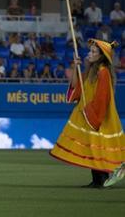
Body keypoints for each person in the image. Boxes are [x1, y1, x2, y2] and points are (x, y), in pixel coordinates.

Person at [50, 39, 125, 188]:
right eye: (90, 51)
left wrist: (92, 113)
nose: (89, 54)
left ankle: (102, 179)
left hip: (98, 116)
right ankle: (97, 180)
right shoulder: (91, 71)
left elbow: (102, 98)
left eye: (93, 52)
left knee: (98, 147)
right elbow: (77, 88)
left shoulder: (103, 72)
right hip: (89, 114)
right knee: (92, 147)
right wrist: (75, 67)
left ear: (101, 56)